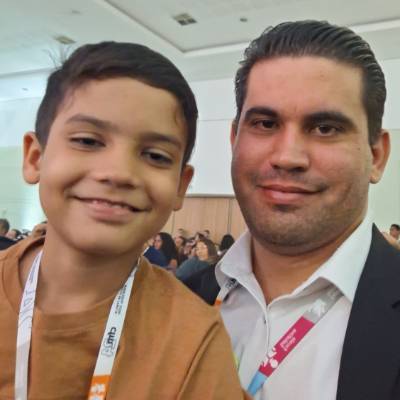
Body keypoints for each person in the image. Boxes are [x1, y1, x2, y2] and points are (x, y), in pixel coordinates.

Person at [0, 41, 248, 399]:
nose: (118, 173)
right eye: (88, 141)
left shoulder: (194, 341)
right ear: (35, 157)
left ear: (180, 186)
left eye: (155, 156)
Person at [184, 20, 400, 400]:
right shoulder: (180, 299)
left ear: (377, 156)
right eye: (265, 123)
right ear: (234, 140)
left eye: (325, 128)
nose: (287, 157)